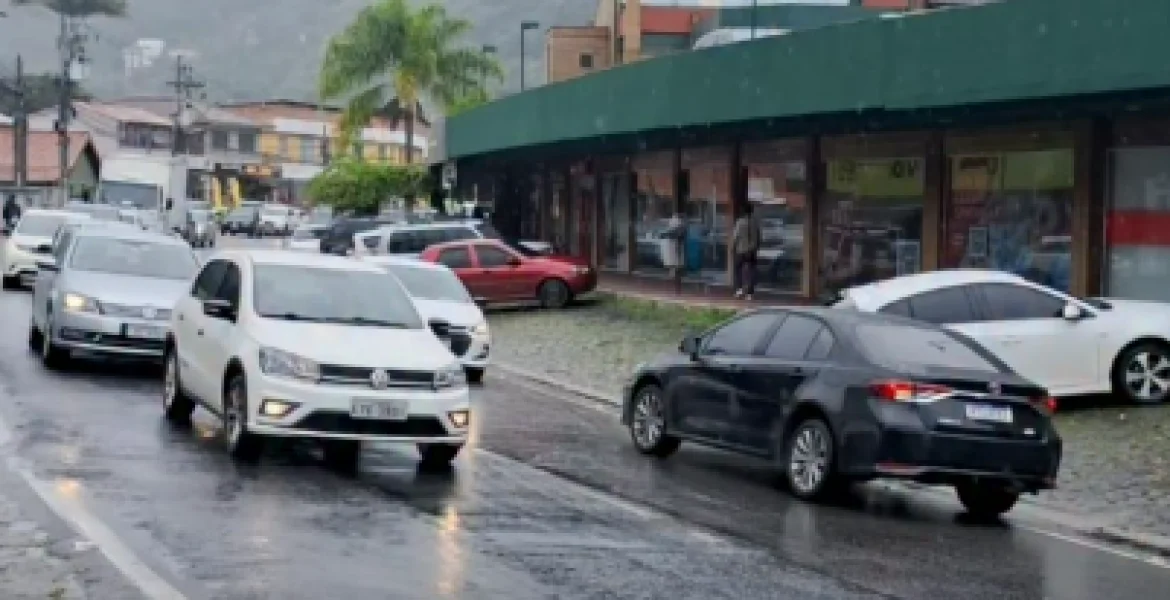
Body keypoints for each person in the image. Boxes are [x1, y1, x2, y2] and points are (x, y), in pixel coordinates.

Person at [730, 202, 762, 300]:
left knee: (738, 269)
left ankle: (739, 289)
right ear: (752, 211)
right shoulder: (755, 223)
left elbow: (735, 237)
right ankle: (750, 293)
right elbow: (759, 236)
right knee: (751, 270)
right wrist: (756, 247)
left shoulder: (739, 222)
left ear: (743, 212)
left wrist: (732, 247)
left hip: (741, 250)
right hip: (752, 250)